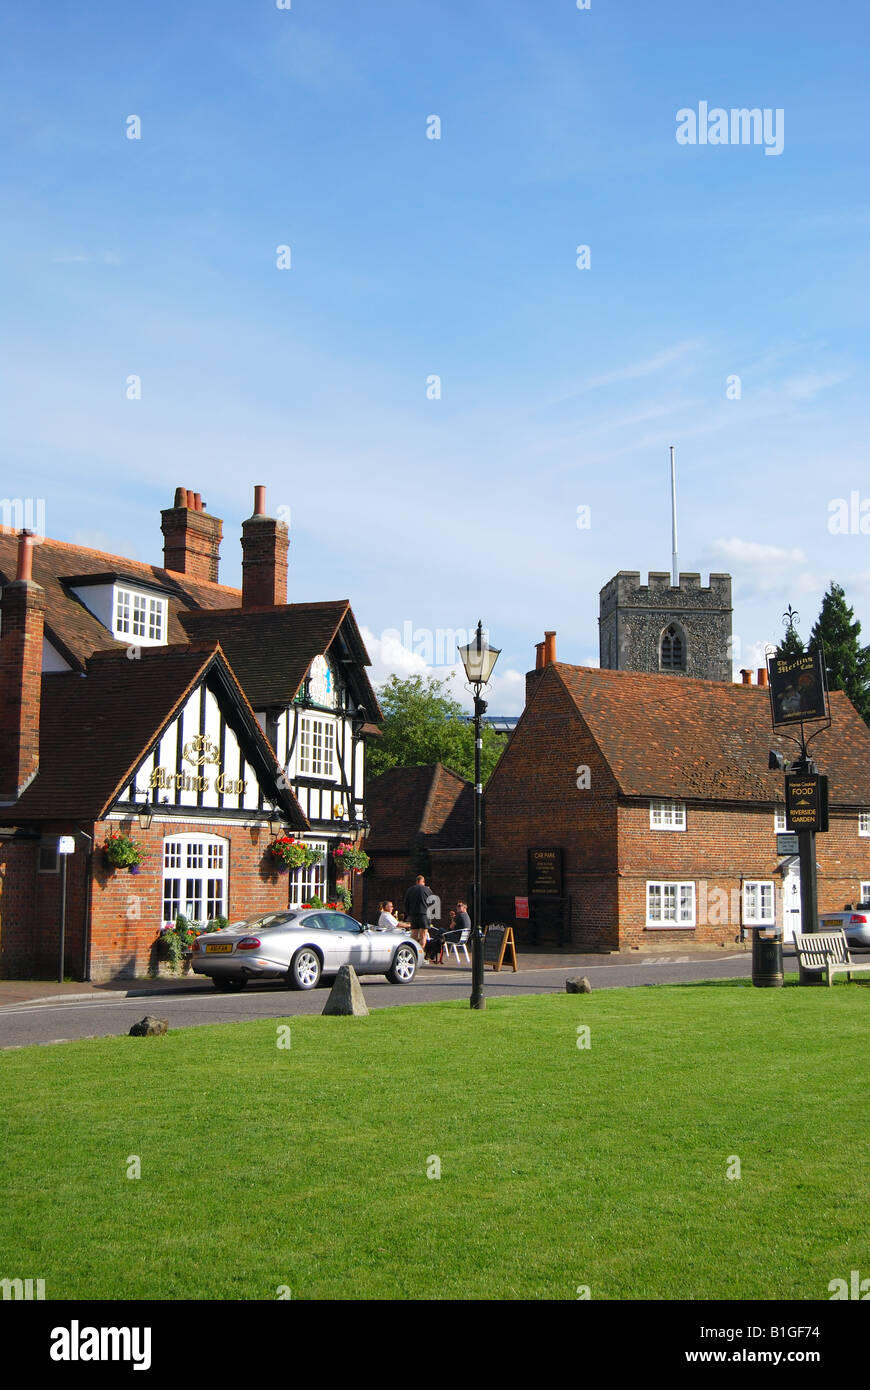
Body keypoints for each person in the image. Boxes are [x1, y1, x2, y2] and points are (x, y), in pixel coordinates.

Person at [405, 874, 437, 960]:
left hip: (414, 914)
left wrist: (409, 913)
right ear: (423, 882)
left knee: (414, 935)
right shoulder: (427, 890)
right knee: (423, 935)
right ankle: (420, 955)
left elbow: (406, 903)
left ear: (416, 881)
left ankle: (412, 955)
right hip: (424, 914)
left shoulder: (410, 889)